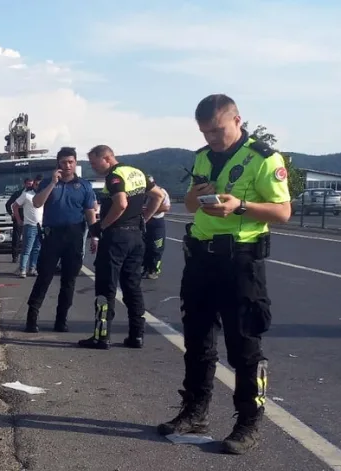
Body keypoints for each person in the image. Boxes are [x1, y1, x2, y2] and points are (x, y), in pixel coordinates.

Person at [157, 94, 291, 455]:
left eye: (217, 131)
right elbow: (189, 204)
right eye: (205, 132)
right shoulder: (203, 157)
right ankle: (194, 411)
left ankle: (248, 422)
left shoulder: (264, 158)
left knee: (244, 345)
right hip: (201, 258)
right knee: (197, 341)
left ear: (237, 120)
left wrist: (240, 206)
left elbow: (283, 212)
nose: (211, 139)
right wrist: (196, 197)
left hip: (240, 260)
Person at [80, 145, 165, 349]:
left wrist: (102, 226)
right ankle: (137, 335)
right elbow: (158, 196)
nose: (93, 167)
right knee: (132, 287)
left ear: (107, 158)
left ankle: (101, 337)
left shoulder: (114, 176)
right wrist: (144, 218)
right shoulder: (138, 173)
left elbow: (121, 204)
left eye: (94, 163)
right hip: (136, 236)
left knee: (105, 287)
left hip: (116, 237)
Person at [23, 148, 96, 333]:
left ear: (75, 163)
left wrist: (95, 235)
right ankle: (32, 317)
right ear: (58, 164)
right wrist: (52, 183)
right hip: (52, 235)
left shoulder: (84, 186)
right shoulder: (48, 182)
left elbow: (90, 212)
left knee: (69, 280)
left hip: (74, 234)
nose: (67, 166)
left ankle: (61, 320)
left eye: (71, 162)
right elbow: (37, 203)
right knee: (44, 276)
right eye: (64, 162)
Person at [11, 175, 43, 278]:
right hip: (30, 225)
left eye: (40, 184)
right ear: (33, 184)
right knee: (27, 249)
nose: (38, 186)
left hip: (41, 226)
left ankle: (32, 268)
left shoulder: (43, 195)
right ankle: (22, 269)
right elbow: (14, 206)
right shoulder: (27, 194)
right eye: (36, 184)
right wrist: (19, 219)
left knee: (37, 249)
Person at [142, 176, 171, 279]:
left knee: (156, 247)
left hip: (156, 222)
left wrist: (151, 209)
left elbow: (166, 207)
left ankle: (154, 269)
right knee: (144, 246)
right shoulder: (141, 193)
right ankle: (146, 268)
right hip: (144, 221)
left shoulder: (161, 192)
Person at [6, 178, 34, 263]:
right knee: (16, 238)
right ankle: (15, 256)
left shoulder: (35, 193)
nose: (30, 185)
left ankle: (30, 256)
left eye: (31, 184)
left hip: (30, 218)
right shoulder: (18, 193)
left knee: (30, 237)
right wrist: (12, 214)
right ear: (24, 184)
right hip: (19, 218)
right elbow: (8, 204)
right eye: (28, 184)